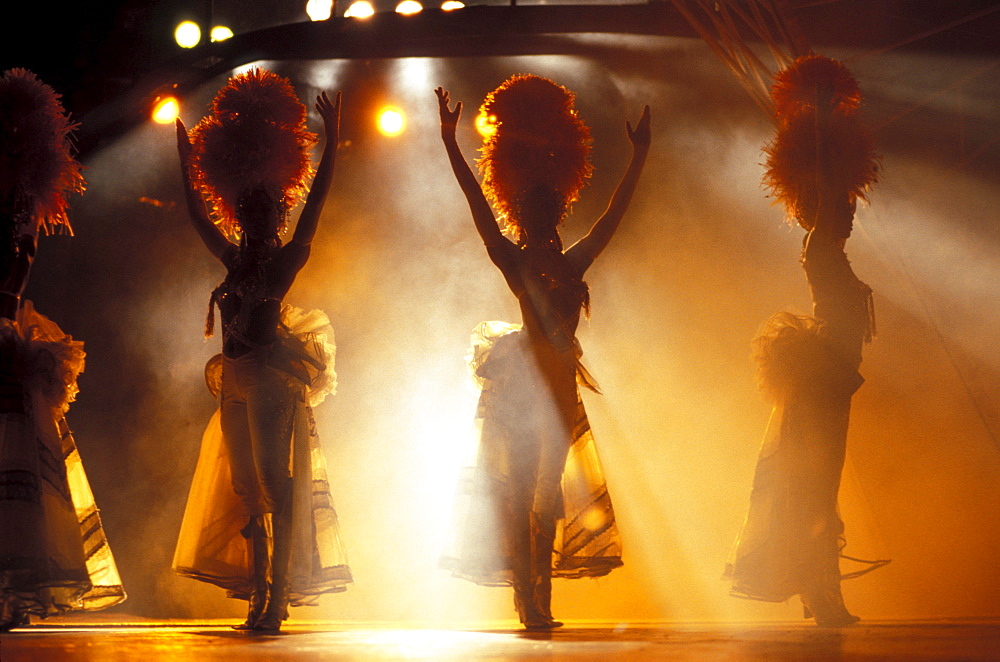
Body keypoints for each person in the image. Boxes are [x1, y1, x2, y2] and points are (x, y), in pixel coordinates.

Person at [435, 76, 649, 629]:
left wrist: (639, 157)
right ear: (520, 214)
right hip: (521, 387)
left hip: (557, 384)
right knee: (522, 488)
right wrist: (450, 143)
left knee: (547, 495)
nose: (537, 217)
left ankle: (539, 598)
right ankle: (528, 599)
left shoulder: (572, 263)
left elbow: (611, 219)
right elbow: (477, 205)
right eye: (528, 210)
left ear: (554, 209)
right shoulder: (513, 261)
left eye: (545, 207)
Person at [172, 69, 351, 632]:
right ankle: (259, 594)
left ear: (276, 216)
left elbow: (317, 202)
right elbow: (198, 214)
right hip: (236, 380)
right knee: (249, 490)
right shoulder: (231, 259)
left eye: (264, 210)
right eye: (246, 209)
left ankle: (279, 597)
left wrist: (335, 138)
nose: (253, 216)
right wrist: (186, 160)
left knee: (278, 482)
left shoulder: (283, 263)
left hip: (272, 381)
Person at [727, 55, 889, 627]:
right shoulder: (821, 246)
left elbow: (833, 183)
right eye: (840, 205)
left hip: (835, 379)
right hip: (825, 380)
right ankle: (822, 597)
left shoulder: (832, 249)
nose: (849, 213)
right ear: (821, 204)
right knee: (815, 484)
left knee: (819, 482)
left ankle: (819, 594)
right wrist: (819, 117)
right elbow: (825, 176)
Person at [0, 68, 126, 631]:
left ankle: (14, 588)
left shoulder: (20, 228)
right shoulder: (16, 222)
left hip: (5, 338)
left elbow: (19, 255)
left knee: (18, 463)